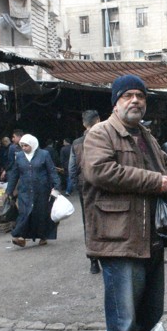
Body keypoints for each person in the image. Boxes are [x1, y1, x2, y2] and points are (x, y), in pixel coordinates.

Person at [82, 74, 167, 331]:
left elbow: (164, 163)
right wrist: (155, 181)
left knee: (150, 315)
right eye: (128, 95)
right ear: (116, 102)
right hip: (119, 239)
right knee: (124, 322)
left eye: (140, 96)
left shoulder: (146, 135)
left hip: (149, 237)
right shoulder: (100, 133)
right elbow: (101, 171)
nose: (136, 100)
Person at [6, 134, 60, 247]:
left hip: (42, 190)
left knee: (40, 213)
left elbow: (51, 171)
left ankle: (43, 236)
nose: (24, 148)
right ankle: (20, 236)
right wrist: (9, 190)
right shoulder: (20, 156)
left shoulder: (44, 154)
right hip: (25, 190)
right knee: (24, 212)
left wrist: (57, 186)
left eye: (26, 145)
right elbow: (15, 174)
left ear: (33, 144)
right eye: (22, 146)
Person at [68, 109, 102, 274]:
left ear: (84, 124)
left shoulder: (76, 143)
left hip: (85, 188)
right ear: (98, 121)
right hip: (105, 186)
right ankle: (108, 255)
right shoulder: (105, 138)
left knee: (88, 222)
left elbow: (72, 169)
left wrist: (78, 185)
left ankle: (93, 261)